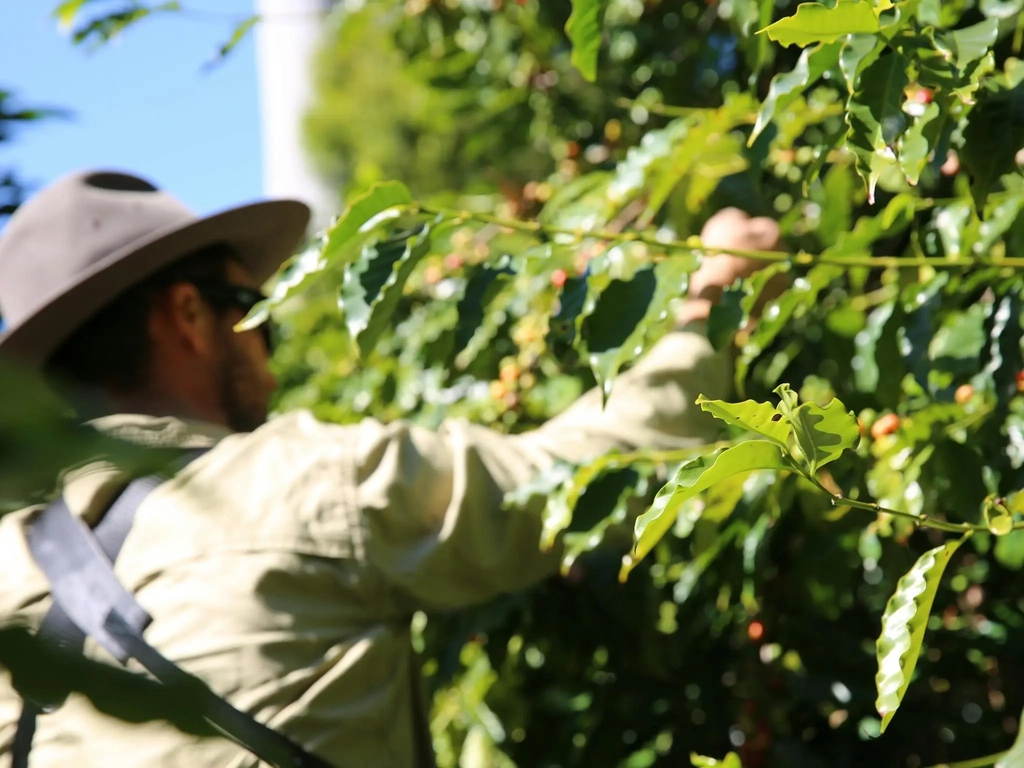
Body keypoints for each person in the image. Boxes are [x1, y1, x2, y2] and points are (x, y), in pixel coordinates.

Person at [0, 170, 781, 768]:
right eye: (252, 307)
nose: (270, 345)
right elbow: (570, 477)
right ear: (188, 315)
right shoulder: (305, 480)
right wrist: (706, 310)